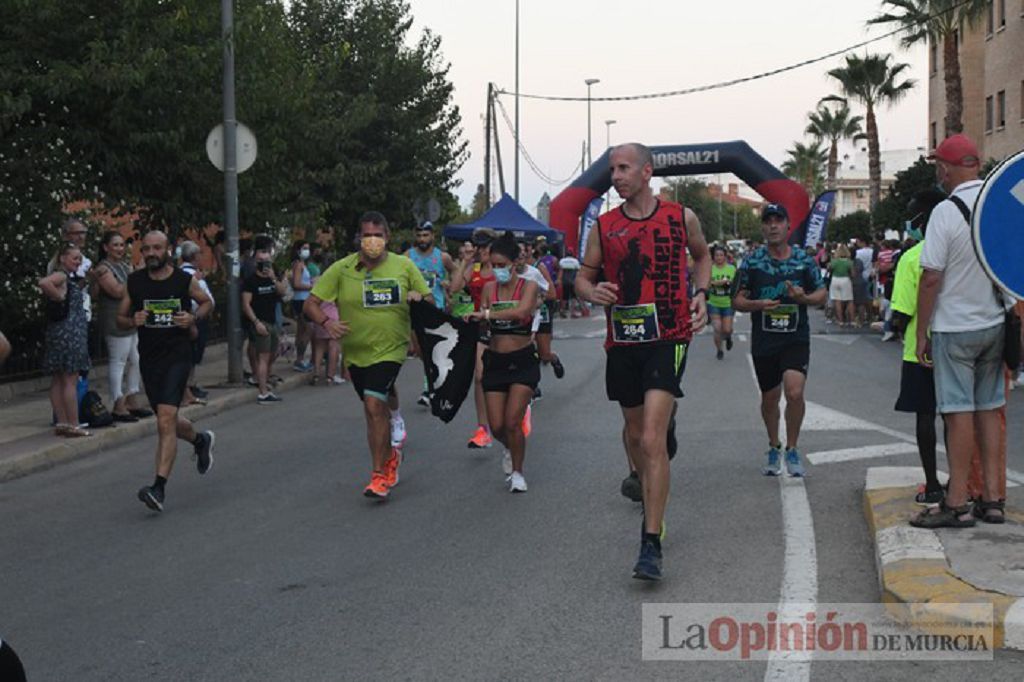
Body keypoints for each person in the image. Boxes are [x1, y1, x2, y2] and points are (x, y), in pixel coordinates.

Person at [575, 142, 710, 581]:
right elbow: (583, 276)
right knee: (637, 437)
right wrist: (590, 292)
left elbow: (702, 255)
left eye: (624, 168)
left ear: (647, 172)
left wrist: (702, 294)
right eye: (612, 169)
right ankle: (659, 442)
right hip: (624, 339)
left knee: (651, 440)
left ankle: (650, 542)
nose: (615, 176)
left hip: (668, 335)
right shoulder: (605, 225)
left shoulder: (680, 216)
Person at [912, 134, 1010, 528]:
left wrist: (922, 333)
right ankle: (992, 498)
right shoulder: (997, 206)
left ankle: (956, 502)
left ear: (946, 168)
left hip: (955, 328)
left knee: (957, 414)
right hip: (995, 324)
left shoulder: (946, 212)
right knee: (989, 410)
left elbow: (931, 276)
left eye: (939, 165)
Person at [304, 211, 432, 499]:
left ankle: (378, 475)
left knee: (374, 406)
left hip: (391, 347)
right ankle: (390, 459)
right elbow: (311, 304)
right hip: (356, 350)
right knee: (376, 409)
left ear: (387, 237)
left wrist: (417, 298)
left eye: (378, 235)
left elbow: (428, 298)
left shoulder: (404, 266)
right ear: (359, 239)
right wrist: (327, 322)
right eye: (366, 235)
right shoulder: (342, 268)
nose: (372, 241)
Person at [118, 231, 214, 512]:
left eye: (156, 248)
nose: (151, 253)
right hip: (150, 358)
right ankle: (200, 440)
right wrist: (131, 319)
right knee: (166, 418)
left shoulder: (183, 280)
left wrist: (192, 316)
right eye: (146, 248)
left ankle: (158, 487)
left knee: (165, 420)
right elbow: (120, 317)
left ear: (167, 250)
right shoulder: (134, 282)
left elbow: (207, 301)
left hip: (178, 356)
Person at [734, 203, 826, 478]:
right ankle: (774, 445)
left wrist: (803, 299)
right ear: (763, 227)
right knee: (770, 399)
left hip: (796, 337)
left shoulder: (803, 260)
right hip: (765, 339)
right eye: (768, 221)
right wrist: (758, 304)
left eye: (778, 220)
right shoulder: (752, 261)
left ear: (788, 226)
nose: (773, 225)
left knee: (795, 392)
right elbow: (737, 300)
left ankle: (793, 448)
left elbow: (821, 294)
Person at [467, 232, 541, 492]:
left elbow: (522, 312)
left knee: (511, 421)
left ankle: (518, 473)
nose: (497, 271)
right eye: (494, 266)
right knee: (497, 426)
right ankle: (511, 445)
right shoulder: (489, 289)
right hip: (495, 360)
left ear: (514, 263)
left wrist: (488, 312)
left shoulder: (528, 286)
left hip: (522, 360)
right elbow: (484, 327)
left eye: (502, 266)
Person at [891, 189, 948, 505]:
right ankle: (961, 483)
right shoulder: (957, 251)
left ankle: (932, 484)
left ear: (922, 220)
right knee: (955, 417)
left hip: (919, 349)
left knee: (925, 416)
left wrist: (901, 330)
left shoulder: (912, 257)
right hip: (953, 343)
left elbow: (902, 311)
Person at [92, 230, 150, 422]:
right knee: (119, 361)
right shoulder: (103, 268)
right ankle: (118, 404)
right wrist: (137, 276)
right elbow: (117, 291)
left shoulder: (124, 266)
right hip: (114, 320)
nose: (119, 248)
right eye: (115, 245)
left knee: (137, 358)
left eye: (121, 245)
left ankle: (132, 400)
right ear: (105, 247)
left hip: (130, 317)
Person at [449, 228, 498, 449]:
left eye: (486, 246)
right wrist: (465, 262)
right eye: (479, 247)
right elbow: (454, 288)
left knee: (506, 373)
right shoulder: (475, 267)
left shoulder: (502, 268)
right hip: (481, 325)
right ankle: (483, 428)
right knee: (479, 376)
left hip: (505, 325)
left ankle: (521, 409)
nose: (482, 251)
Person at [39, 242, 92, 437]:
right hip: (70, 333)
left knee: (58, 379)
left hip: (58, 331)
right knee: (70, 380)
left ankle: (62, 422)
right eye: (75, 258)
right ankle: (73, 423)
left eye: (80, 258)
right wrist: (59, 297)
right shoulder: (61, 275)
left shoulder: (67, 278)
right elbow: (44, 283)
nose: (78, 262)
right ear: (63, 258)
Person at [406, 221, 457, 405]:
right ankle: (436, 379)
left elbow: (456, 274)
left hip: (436, 308)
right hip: (415, 309)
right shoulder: (407, 257)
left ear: (432, 236)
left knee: (432, 349)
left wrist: (449, 286)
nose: (422, 239)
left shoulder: (443, 258)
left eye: (425, 235)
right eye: (419, 235)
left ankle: (429, 388)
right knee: (420, 350)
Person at [242, 247, 287, 404]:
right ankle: (262, 391)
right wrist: (256, 322)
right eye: (261, 261)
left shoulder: (271, 279)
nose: (264, 264)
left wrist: (274, 278)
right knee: (263, 357)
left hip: (272, 322)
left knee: (272, 355)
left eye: (267, 261)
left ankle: (264, 382)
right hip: (260, 322)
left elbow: (282, 292)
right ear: (255, 262)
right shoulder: (250, 281)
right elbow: (246, 304)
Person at [178, 240, 215, 404]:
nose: (202, 256)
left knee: (194, 356)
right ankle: (187, 386)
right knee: (191, 355)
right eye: (200, 253)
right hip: (194, 318)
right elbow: (196, 299)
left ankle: (190, 384)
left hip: (197, 317)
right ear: (194, 256)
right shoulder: (190, 276)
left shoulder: (192, 273)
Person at [707, 245, 737, 360]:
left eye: (721, 255)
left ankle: (728, 337)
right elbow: (706, 284)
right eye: (716, 255)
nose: (719, 257)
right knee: (717, 328)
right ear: (713, 257)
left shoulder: (731, 269)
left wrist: (729, 283)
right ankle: (719, 350)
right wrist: (716, 283)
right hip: (713, 302)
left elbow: (736, 284)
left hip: (728, 303)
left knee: (727, 329)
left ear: (725, 256)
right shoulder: (710, 269)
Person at [289, 241, 314, 372]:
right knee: (308, 329)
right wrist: (311, 286)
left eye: (308, 248)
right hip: (301, 300)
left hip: (303, 299)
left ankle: (299, 359)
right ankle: (300, 358)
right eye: (304, 248)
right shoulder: (298, 265)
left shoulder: (302, 264)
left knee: (301, 330)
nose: (307, 251)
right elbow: (297, 284)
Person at [828, 244, 855, 327]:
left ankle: (840, 321)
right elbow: (853, 274)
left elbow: (829, 269)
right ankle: (852, 320)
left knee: (837, 301)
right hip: (845, 280)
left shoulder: (834, 261)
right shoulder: (849, 262)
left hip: (835, 280)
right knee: (849, 301)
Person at [558, 249, 582, 318]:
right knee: (573, 297)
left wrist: (559, 280)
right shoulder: (575, 261)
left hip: (564, 281)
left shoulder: (562, 261)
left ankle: (562, 311)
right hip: (572, 281)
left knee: (564, 297)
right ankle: (573, 312)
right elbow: (578, 272)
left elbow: (560, 271)